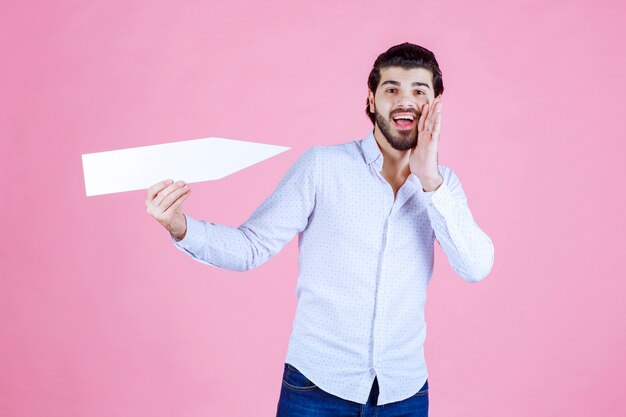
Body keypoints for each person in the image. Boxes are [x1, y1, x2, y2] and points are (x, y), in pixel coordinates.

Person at [145, 42, 495, 417]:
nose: (404, 100)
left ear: (435, 103)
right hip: (316, 389)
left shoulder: (444, 186)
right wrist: (179, 226)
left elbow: (475, 267)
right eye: (391, 89)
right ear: (372, 100)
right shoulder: (322, 168)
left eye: (418, 91)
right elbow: (251, 247)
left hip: (405, 394)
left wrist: (429, 179)